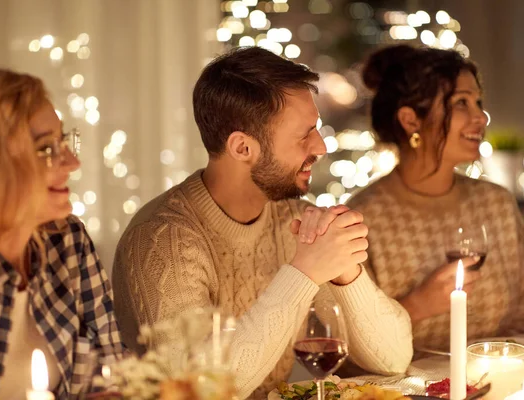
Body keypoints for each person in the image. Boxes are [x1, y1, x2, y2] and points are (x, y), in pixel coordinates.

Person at [112, 46, 412, 399]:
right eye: (304, 134)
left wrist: (346, 275)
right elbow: (203, 390)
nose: (320, 147)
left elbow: (394, 359)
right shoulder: (163, 239)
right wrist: (304, 272)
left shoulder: (295, 217)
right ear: (242, 148)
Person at [0, 68, 124, 398]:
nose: (72, 162)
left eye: (63, 141)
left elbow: (115, 376)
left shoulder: (67, 240)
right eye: (46, 148)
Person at [347, 44, 524, 354]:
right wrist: (417, 305)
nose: (480, 116)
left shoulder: (497, 203)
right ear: (411, 120)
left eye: (477, 101)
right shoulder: (362, 219)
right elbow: (351, 351)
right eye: (461, 103)